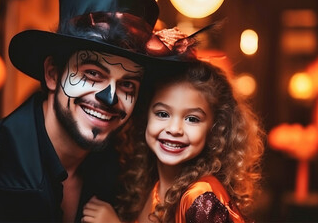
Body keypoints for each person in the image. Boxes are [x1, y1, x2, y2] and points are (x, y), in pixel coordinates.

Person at [0, 0, 163, 221]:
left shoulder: (125, 179)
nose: (110, 98)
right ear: (53, 74)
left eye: (127, 84)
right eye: (93, 73)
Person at [82, 58, 265, 222]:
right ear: (145, 118)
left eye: (192, 119)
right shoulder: (152, 187)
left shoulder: (202, 197)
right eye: (162, 114)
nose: (174, 129)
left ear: (214, 129)